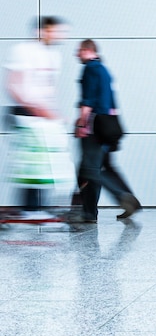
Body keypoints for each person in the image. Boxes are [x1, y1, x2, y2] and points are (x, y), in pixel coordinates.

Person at [4, 16, 75, 219]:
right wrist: (35, 109)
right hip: (26, 112)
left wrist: (53, 113)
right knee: (30, 163)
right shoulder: (23, 51)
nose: (60, 36)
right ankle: (29, 208)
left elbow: (48, 88)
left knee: (46, 163)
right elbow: (13, 84)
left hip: (44, 115)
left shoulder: (53, 55)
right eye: (56, 31)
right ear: (42, 30)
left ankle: (37, 208)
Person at [74, 39, 141, 223]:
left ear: (88, 50)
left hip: (94, 126)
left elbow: (88, 100)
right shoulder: (104, 70)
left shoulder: (90, 68)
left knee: (90, 170)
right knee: (99, 168)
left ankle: (122, 197)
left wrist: (81, 123)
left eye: (79, 50)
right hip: (109, 125)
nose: (76, 54)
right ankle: (89, 212)